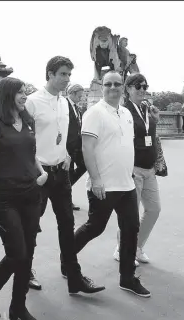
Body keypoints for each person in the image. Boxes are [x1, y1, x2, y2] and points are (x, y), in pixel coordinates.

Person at [25, 56, 105, 294]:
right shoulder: (32, 102)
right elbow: (23, 139)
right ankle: (25, 270)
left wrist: (68, 154)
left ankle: (73, 276)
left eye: (69, 75)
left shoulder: (64, 102)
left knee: (67, 225)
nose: (67, 79)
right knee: (31, 226)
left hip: (61, 173)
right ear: (49, 74)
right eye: (62, 74)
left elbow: (69, 134)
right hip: (38, 176)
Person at [69, 70, 151, 297]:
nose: (113, 88)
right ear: (102, 87)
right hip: (104, 185)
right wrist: (95, 180)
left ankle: (127, 278)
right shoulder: (94, 113)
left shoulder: (125, 113)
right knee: (95, 227)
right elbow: (87, 148)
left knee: (131, 229)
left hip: (126, 184)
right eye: (108, 84)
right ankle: (67, 257)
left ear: (123, 87)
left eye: (117, 84)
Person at [0, 77, 47, 320]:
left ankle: (18, 307)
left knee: (27, 255)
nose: (24, 96)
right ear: (7, 94)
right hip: (5, 200)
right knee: (17, 253)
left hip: (31, 195)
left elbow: (30, 152)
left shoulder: (27, 119)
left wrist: (41, 171)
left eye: (26, 92)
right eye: (20, 92)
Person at [113, 73, 161, 265]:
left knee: (154, 209)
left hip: (149, 169)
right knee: (130, 214)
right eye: (137, 86)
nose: (142, 90)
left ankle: (137, 246)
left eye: (145, 86)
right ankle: (123, 248)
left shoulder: (146, 109)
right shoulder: (124, 111)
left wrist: (155, 121)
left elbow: (149, 137)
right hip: (133, 168)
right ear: (128, 89)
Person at [66, 83, 86, 211]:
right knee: (69, 172)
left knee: (84, 165)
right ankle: (67, 199)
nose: (81, 98)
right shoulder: (64, 105)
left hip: (77, 145)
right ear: (72, 93)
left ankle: (64, 189)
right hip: (68, 146)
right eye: (79, 95)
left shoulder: (76, 108)